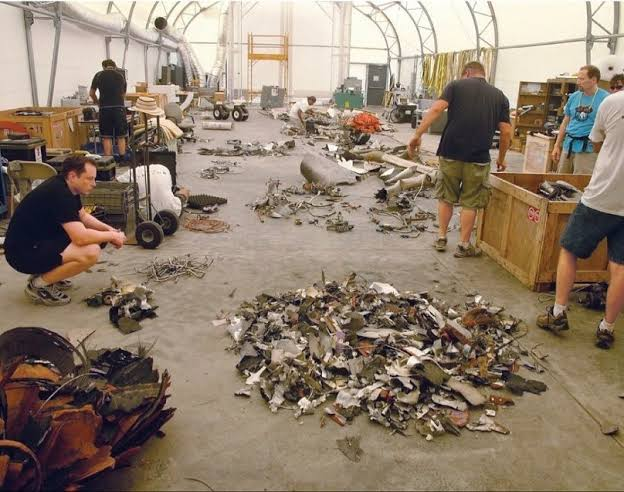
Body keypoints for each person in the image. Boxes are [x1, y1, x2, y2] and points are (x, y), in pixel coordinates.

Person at [537, 88, 624, 349]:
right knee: (620, 268)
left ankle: (558, 313)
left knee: (569, 250)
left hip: (602, 196)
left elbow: (596, 142)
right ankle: (607, 328)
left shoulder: (612, 102)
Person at [407, 61, 512, 258]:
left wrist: (417, 135)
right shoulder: (499, 96)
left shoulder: (455, 86)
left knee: (446, 197)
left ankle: (441, 237)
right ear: (483, 74)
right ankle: (463, 245)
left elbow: (436, 110)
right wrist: (502, 158)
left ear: (467, 73)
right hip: (478, 157)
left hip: (450, 152)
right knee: (470, 202)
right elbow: (506, 131)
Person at [4, 156, 127, 306]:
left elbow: (83, 216)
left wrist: (110, 230)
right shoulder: (60, 194)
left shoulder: (65, 186)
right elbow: (81, 238)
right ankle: (38, 285)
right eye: (89, 179)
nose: (94, 184)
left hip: (37, 241)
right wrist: (112, 236)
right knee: (91, 252)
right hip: (22, 254)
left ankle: (52, 274)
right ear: (73, 176)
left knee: (97, 239)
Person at [551, 65, 609, 174]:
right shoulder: (574, 96)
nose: (578, 82)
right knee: (561, 179)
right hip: (569, 145)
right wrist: (557, 145)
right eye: (578, 78)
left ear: (593, 80)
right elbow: (565, 122)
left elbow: (608, 127)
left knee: (581, 181)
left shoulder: (605, 99)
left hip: (588, 149)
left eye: (582, 79)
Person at [90, 59, 128, 159]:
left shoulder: (98, 75)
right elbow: (123, 94)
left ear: (103, 67)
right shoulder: (121, 76)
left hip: (105, 108)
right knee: (121, 136)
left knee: (106, 136)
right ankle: (122, 159)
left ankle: (108, 160)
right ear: (114, 66)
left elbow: (91, 93)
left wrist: (98, 103)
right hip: (119, 108)